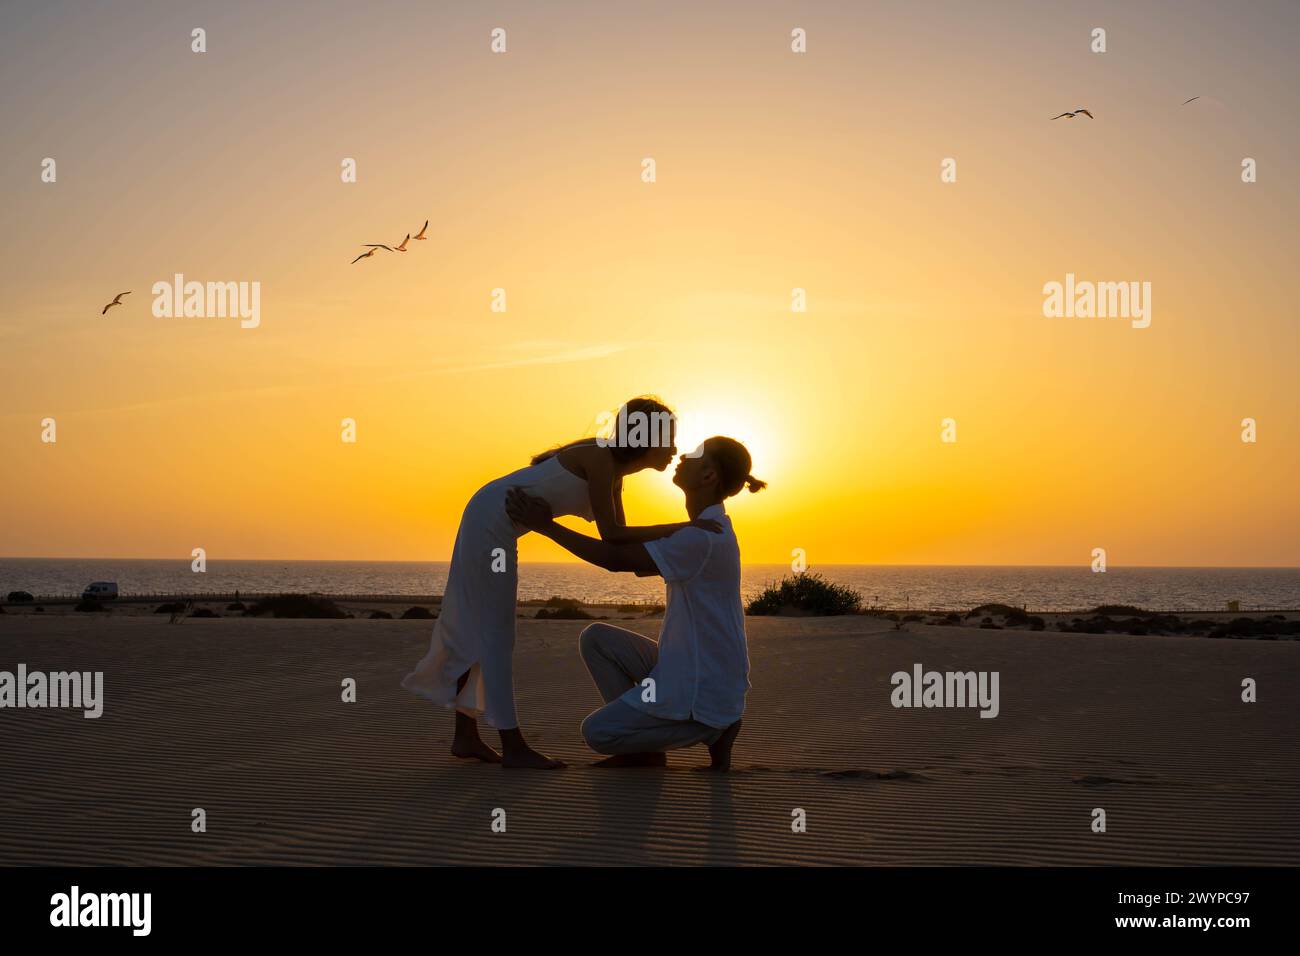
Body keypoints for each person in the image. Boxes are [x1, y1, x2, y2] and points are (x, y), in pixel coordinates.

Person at [402, 397, 720, 770]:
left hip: (494, 524)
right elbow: (614, 534)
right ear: (645, 437)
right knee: (496, 636)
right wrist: (686, 526)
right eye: (668, 438)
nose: (674, 449)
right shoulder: (601, 460)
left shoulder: (610, 471)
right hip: (488, 523)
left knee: (484, 631)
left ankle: (466, 735)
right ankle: (513, 745)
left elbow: (614, 543)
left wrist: (685, 530)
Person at [506, 436, 764, 771]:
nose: (683, 455)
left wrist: (547, 527)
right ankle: (669, 736)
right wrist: (613, 483)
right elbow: (625, 546)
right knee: (597, 639)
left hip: (703, 684)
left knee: (597, 733)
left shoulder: (700, 538)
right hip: (694, 668)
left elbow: (614, 559)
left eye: (695, 455)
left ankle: (710, 729)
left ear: (708, 476)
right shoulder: (704, 531)